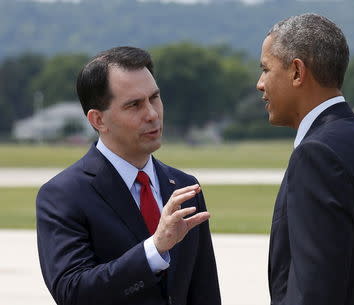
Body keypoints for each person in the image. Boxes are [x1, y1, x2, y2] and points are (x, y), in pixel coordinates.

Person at [36, 46, 221, 305]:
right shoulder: (63, 195)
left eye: (154, 98)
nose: (152, 114)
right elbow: (72, 292)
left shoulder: (185, 187)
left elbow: (204, 291)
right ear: (98, 120)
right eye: (134, 105)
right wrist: (154, 250)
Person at [256, 14, 354, 305]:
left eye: (265, 69)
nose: (260, 83)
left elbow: (313, 291)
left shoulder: (317, 155)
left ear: (297, 72)